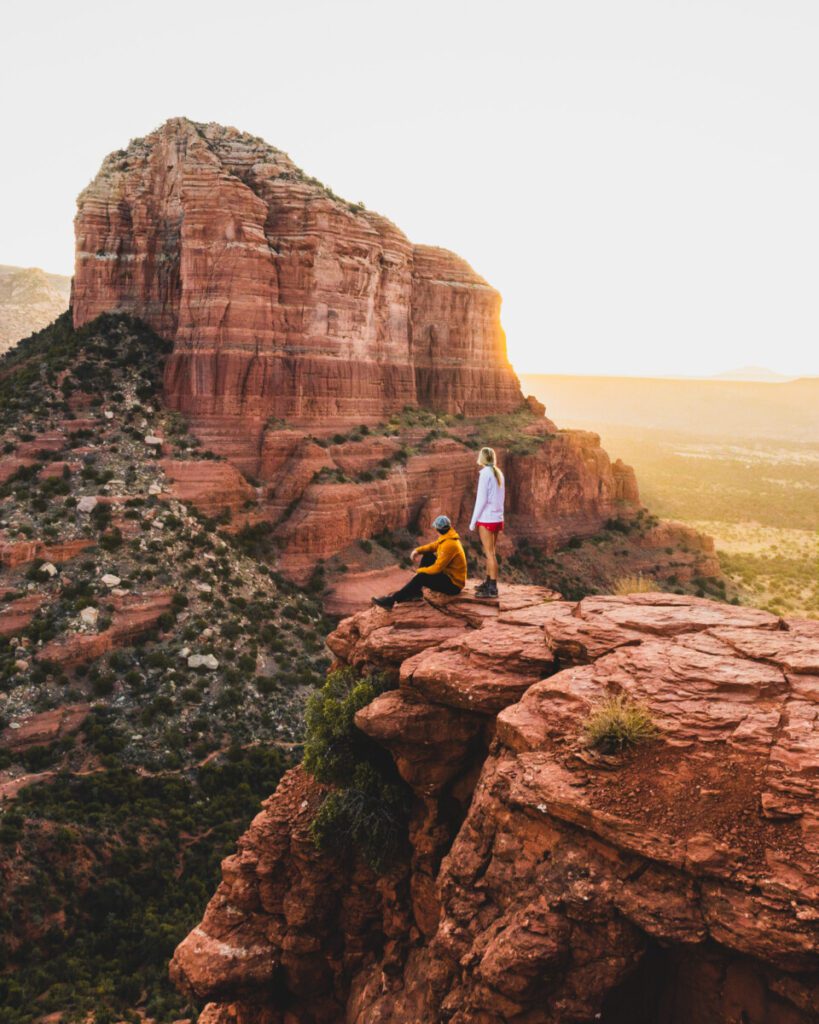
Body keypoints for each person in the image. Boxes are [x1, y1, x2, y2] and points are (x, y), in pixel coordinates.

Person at [372, 515, 466, 610]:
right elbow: (433, 546)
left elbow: (437, 568)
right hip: (449, 575)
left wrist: (421, 571)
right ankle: (416, 591)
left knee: (421, 577)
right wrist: (417, 550)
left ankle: (391, 601)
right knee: (428, 555)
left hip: (453, 585)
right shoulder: (448, 537)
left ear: (438, 529)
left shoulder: (449, 545)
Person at [469, 446, 505, 597]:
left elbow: (481, 500)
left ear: (482, 458)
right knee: (491, 552)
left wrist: (473, 521)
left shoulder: (485, 474)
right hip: (497, 518)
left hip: (487, 519)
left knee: (489, 553)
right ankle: (488, 582)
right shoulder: (498, 473)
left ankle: (492, 589)